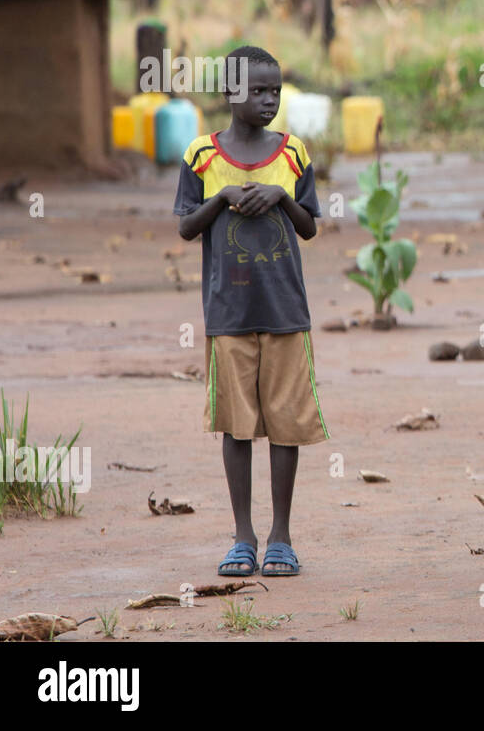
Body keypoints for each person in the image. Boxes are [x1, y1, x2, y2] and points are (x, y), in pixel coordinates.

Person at [174, 45, 327, 579]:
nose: (267, 101)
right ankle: (243, 536)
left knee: (285, 425)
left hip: (286, 310)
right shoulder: (201, 155)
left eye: (274, 92)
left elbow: (309, 226)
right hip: (228, 313)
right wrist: (224, 199)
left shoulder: (293, 154)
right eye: (255, 91)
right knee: (236, 428)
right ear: (228, 95)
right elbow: (186, 226)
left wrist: (280, 197)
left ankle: (281, 537)